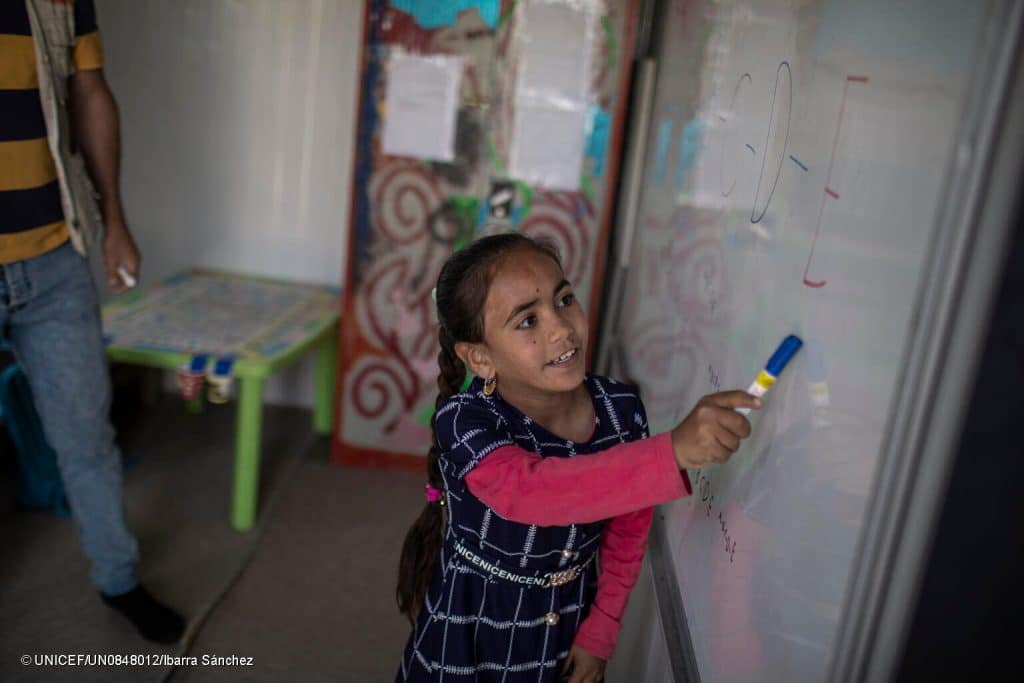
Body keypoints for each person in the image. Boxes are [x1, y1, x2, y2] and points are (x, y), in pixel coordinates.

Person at [396, 233, 761, 681]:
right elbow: (533, 491)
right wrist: (672, 452)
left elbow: (628, 532)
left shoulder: (621, 411)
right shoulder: (465, 421)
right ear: (481, 358)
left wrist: (601, 631)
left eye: (564, 299)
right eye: (527, 321)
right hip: (473, 626)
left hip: (569, 622)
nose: (562, 328)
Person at [1, 0, 184, 643]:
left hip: (56, 256)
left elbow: (90, 92)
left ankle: (119, 579)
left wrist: (115, 222)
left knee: (86, 436)